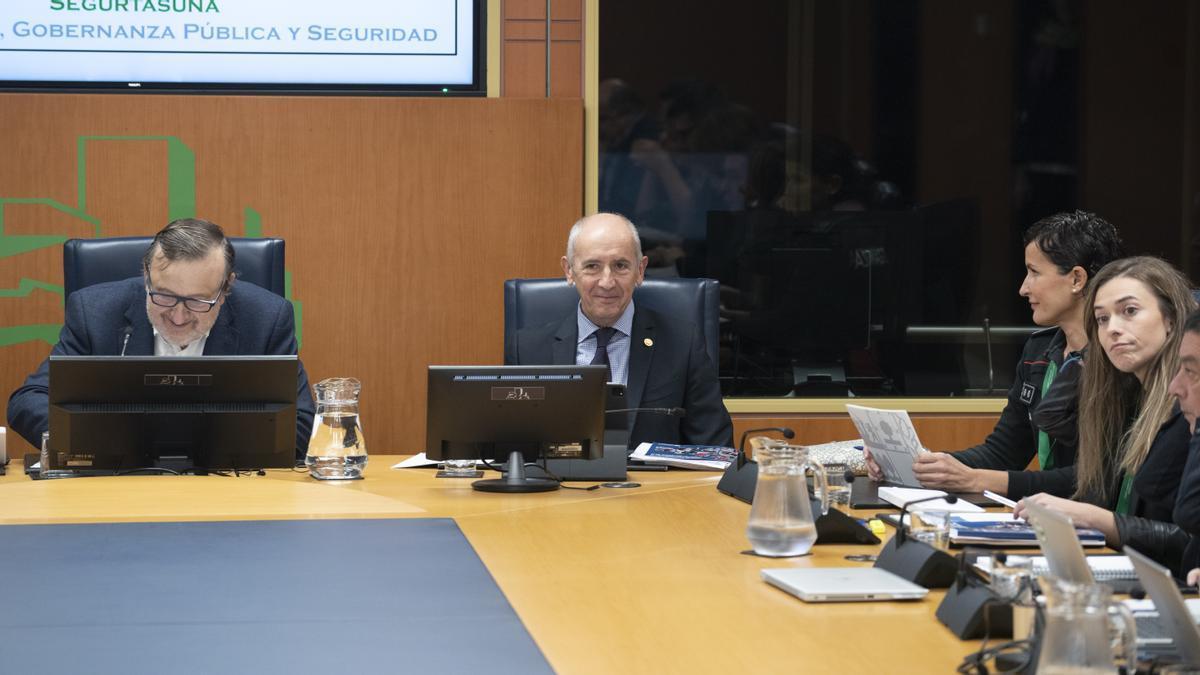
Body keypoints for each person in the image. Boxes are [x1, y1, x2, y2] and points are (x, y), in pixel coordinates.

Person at [865, 211, 1123, 498]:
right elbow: (1003, 453)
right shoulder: (1037, 351)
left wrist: (976, 480)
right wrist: (924, 465)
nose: (1023, 288)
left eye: (1034, 272)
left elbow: (1096, 480)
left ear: (1076, 278)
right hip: (1050, 518)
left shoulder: (1119, 359)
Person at [7, 218, 315, 458]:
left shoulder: (266, 318)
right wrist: (89, 439)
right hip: (116, 488)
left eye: (198, 301)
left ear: (226, 288)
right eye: (164, 296)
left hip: (229, 488)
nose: (179, 317)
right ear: (145, 276)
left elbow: (300, 423)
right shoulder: (94, 312)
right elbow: (27, 401)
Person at [1014, 257, 1196, 554]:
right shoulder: (1124, 399)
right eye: (1101, 319)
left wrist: (1098, 520)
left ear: (1172, 319)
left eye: (1130, 311)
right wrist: (1083, 362)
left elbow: (1190, 543)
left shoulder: (1189, 410)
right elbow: (1049, 417)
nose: (1112, 328)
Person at [504, 212, 733, 448]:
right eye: (592, 266)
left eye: (620, 266)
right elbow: (513, 452)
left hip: (654, 485)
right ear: (569, 270)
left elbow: (716, 450)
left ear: (640, 270)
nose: (607, 282)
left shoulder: (683, 344)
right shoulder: (527, 350)